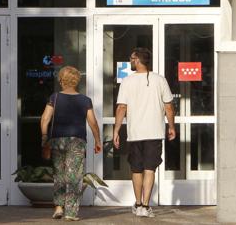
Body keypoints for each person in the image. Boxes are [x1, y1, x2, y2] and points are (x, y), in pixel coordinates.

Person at [113, 47, 176, 218]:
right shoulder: (160, 80)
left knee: (136, 169)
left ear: (138, 60)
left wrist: (116, 130)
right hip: (154, 132)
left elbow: (121, 107)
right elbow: (169, 106)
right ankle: (145, 206)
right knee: (150, 169)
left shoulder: (128, 81)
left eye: (132, 58)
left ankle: (139, 204)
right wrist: (171, 126)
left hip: (135, 133)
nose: (130, 61)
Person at [40, 66, 101, 221]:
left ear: (61, 80)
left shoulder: (55, 98)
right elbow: (93, 122)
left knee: (59, 175)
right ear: (76, 81)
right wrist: (98, 140)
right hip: (76, 141)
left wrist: (44, 137)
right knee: (74, 176)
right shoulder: (85, 100)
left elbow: (45, 119)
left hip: (57, 140)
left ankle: (59, 207)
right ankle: (71, 213)